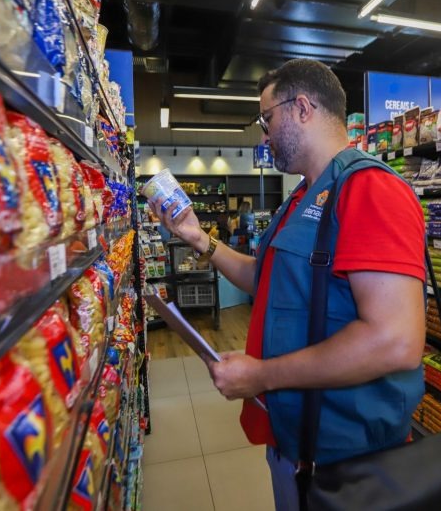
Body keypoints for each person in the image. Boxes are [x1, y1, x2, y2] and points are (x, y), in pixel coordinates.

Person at [149, 59, 426, 510]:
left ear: (301, 107)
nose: (263, 135)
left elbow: (394, 341)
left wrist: (261, 375)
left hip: (351, 458)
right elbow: (265, 280)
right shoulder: (300, 197)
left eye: (266, 118)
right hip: (298, 443)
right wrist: (199, 239)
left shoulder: (370, 189)